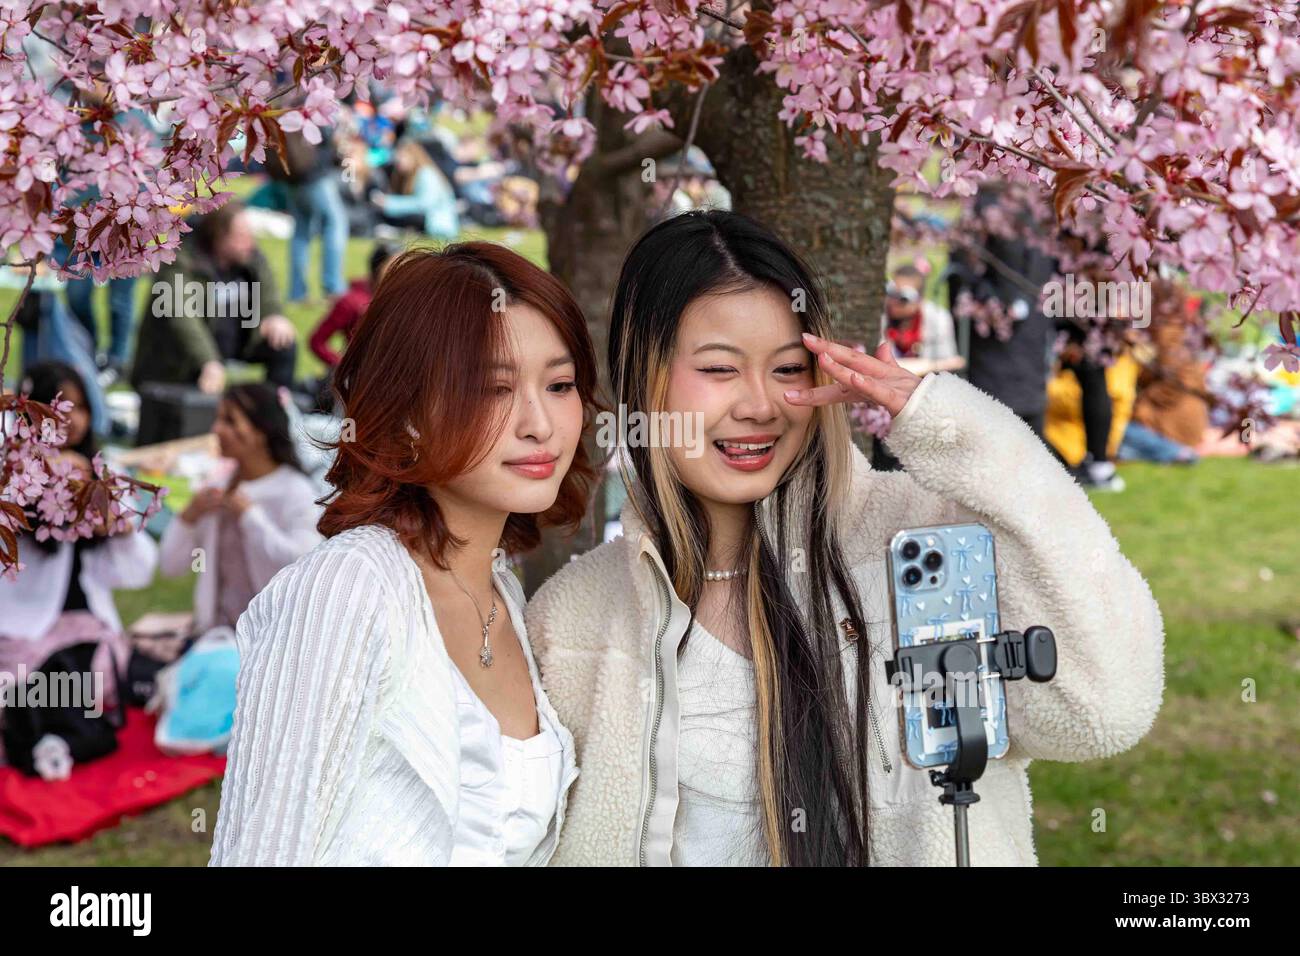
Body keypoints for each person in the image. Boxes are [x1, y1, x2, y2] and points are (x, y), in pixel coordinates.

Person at [525, 210, 1165, 866]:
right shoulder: (575, 619)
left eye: (788, 369)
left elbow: (1105, 705)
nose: (760, 405)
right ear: (644, 379)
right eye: (719, 370)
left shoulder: (923, 550)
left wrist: (960, 432)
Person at [209, 243, 598, 866]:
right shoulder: (347, 590)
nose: (540, 423)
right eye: (493, 389)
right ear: (409, 412)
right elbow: (259, 854)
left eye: (559, 384)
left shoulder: (502, 592)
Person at [0, 362, 157, 739]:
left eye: (82, 408)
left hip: (81, 620)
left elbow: (139, 571)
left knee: (97, 676)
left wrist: (116, 524)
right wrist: (41, 488)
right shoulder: (12, 471)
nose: (74, 421)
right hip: (20, 626)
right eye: (60, 410)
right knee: (21, 683)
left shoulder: (98, 471)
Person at [158, 383, 322, 635]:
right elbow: (171, 566)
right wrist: (189, 516)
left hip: (273, 641)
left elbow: (304, 573)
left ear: (261, 432)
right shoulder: (217, 488)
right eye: (218, 419)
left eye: (230, 421)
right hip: (215, 636)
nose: (216, 430)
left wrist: (250, 517)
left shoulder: (296, 492)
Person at [131, 200, 299, 395]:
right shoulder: (181, 262)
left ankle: (273, 407)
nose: (250, 242)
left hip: (232, 343)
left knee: (283, 341)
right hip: (183, 357)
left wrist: (273, 315)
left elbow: (266, 284)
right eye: (241, 236)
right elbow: (182, 317)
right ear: (220, 237)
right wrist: (208, 361)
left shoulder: (247, 256)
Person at [267, 128, 348, 303]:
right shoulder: (309, 102)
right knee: (335, 224)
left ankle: (297, 293)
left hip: (292, 179)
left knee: (301, 232)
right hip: (315, 176)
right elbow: (326, 136)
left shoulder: (283, 106)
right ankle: (334, 288)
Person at [307, 243, 394, 367]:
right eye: (393, 266)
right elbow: (317, 341)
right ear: (378, 268)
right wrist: (343, 367)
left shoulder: (404, 299)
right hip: (362, 375)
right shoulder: (351, 302)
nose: (401, 272)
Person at [370, 140, 459, 239]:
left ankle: (398, 231)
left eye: (402, 157)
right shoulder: (409, 174)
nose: (398, 160)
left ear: (413, 156)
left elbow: (424, 204)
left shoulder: (426, 174)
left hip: (435, 221)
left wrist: (389, 202)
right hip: (428, 218)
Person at [884, 263, 957, 362]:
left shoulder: (937, 319)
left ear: (919, 300)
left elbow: (947, 362)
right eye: (891, 293)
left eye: (903, 298)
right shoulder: (881, 318)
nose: (893, 301)